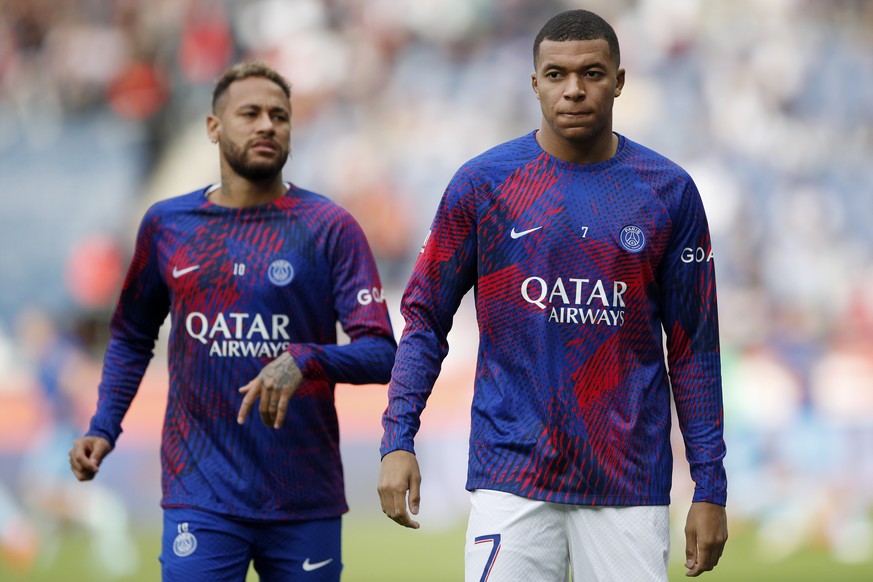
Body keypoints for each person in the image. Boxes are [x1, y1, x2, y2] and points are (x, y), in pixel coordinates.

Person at [377, 9, 727, 581]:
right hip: (511, 474)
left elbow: (693, 349)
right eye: (557, 74)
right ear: (534, 81)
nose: (574, 90)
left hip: (627, 482)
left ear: (618, 80)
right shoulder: (485, 184)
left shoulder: (668, 192)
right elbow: (423, 317)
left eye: (592, 73)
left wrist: (710, 485)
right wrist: (397, 439)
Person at [69, 61, 396, 581]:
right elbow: (132, 334)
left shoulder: (329, 227)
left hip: (302, 494)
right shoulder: (167, 225)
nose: (267, 125)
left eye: (280, 116)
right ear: (214, 127)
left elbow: (383, 353)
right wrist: (104, 426)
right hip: (199, 489)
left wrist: (304, 359)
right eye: (250, 113)